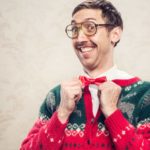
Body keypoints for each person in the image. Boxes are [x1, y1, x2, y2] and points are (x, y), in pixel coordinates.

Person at [20, 0, 150, 149]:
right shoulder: (56, 96)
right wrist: (61, 113)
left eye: (90, 27)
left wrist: (113, 114)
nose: (80, 39)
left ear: (114, 34)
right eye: (75, 30)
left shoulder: (145, 95)